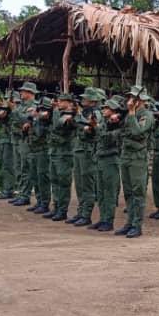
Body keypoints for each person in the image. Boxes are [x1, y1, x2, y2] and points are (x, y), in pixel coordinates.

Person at [115, 86, 154, 238]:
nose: (130, 100)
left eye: (133, 98)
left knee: (138, 193)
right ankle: (129, 222)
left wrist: (131, 113)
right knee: (128, 192)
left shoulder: (146, 115)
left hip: (137, 158)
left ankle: (137, 225)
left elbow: (138, 132)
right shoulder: (131, 114)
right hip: (126, 156)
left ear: (141, 100)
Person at [69, 88, 103, 226]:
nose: (83, 100)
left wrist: (81, 119)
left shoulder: (96, 113)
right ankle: (81, 211)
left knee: (87, 184)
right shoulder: (84, 112)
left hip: (88, 151)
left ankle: (86, 214)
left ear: (93, 101)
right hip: (79, 150)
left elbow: (93, 128)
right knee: (79, 184)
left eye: (86, 98)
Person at [92, 98, 123, 232]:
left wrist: (96, 128)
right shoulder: (104, 123)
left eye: (107, 108)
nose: (103, 110)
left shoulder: (118, 126)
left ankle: (108, 220)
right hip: (101, 158)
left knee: (109, 192)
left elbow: (107, 138)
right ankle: (103, 218)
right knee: (101, 192)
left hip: (111, 159)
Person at [46, 93, 76, 222]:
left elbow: (59, 125)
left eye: (61, 101)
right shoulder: (58, 112)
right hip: (55, 151)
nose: (58, 102)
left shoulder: (69, 114)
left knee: (63, 181)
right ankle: (56, 207)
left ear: (69, 102)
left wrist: (56, 111)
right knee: (54, 180)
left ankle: (62, 210)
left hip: (65, 152)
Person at [9, 83, 38, 206]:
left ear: (30, 93)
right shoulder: (21, 106)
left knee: (26, 168)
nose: (21, 93)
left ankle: (25, 195)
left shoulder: (34, 107)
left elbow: (25, 120)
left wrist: (14, 110)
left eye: (23, 91)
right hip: (18, 139)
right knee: (19, 167)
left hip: (28, 140)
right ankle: (21, 193)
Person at [28, 98, 54, 216]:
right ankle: (39, 201)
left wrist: (37, 118)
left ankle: (44, 203)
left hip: (43, 150)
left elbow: (39, 133)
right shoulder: (39, 119)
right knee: (35, 176)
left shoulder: (47, 120)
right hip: (35, 150)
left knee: (42, 177)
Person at [0, 93, 16, 199]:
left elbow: (14, 123)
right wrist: (0, 110)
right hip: (4, 140)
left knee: (8, 166)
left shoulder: (15, 112)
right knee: (4, 166)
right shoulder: (7, 112)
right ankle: (6, 188)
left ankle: (8, 190)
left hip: (10, 141)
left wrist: (10, 111)